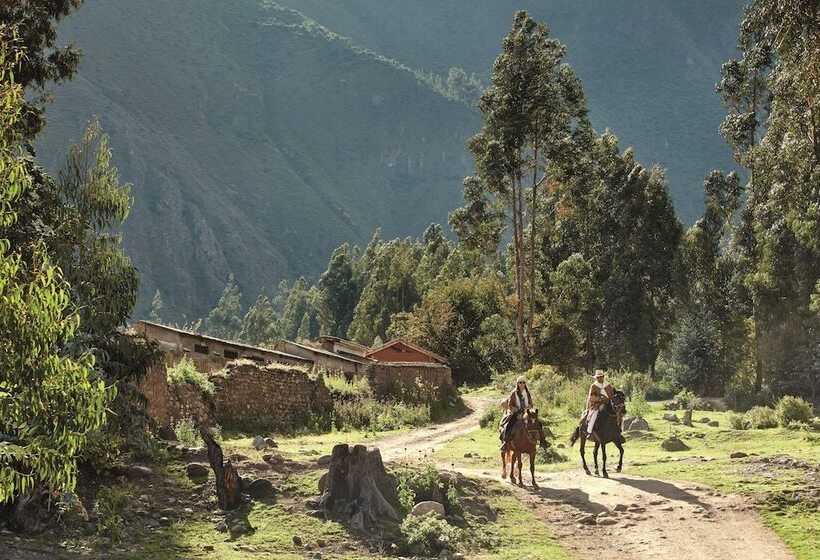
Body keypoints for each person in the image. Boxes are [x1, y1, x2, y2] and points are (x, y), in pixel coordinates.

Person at [499, 375, 533, 449]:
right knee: (509, 425)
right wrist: (515, 409)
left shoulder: (527, 393)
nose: (522, 384)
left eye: (523, 382)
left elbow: (531, 404)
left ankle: (542, 440)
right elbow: (510, 405)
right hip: (516, 412)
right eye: (520, 382)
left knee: (536, 422)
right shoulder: (514, 393)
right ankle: (505, 442)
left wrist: (528, 407)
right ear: (517, 383)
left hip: (526, 412)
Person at [583, 369, 615, 437]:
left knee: (617, 413)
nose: (599, 378)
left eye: (600, 377)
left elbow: (612, 394)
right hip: (597, 404)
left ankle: (618, 432)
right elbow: (591, 396)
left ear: (603, 377)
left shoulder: (608, 385)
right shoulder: (594, 386)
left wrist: (610, 400)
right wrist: (600, 399)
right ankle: (589, 431)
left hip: (609, 403)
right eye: (598, 377)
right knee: (595, 414)